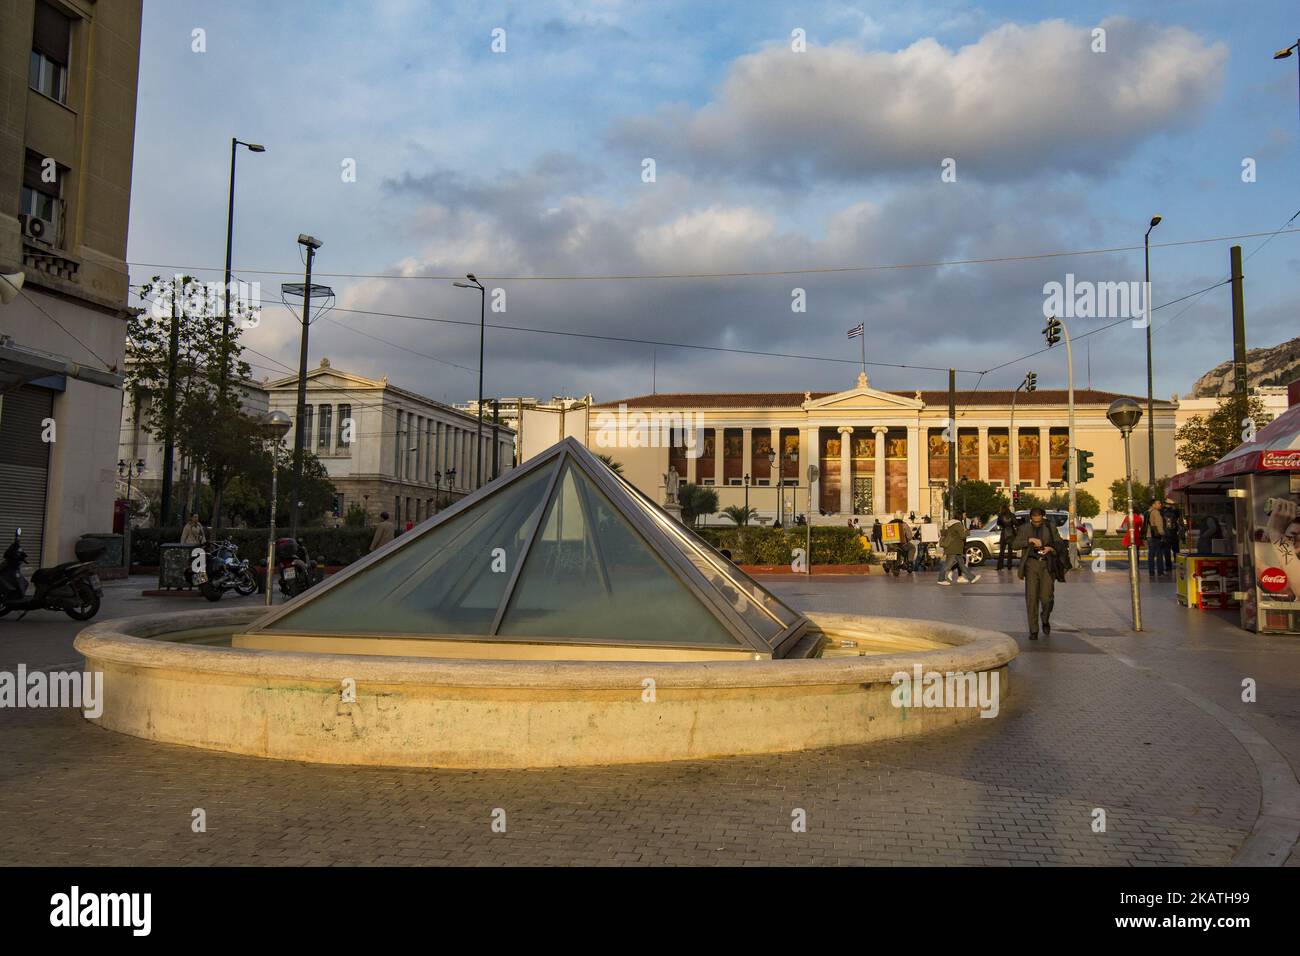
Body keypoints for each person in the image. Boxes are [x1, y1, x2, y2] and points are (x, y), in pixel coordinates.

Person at [1012, 507, 1063, 640]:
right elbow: (1014, 544)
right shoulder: (1024, 528)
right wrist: (1029, 540)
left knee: (1047, 598)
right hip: (1031, 564)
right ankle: (1033, 630)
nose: (1036, 521)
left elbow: (1059, 544)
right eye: (1034, 519)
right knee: (1031, 598)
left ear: (1043, 517)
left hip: (1047, 564)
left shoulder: (1050, 527)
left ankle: (1045, 619)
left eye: (1039, 519)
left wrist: (1050, 548)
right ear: (1030, 518)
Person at [936, 512, 980, 586]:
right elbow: (962, 536)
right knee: (947, 564)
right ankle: (941, 579)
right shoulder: (958, 524)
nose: (965, 516)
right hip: (954, 547)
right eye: (964, 515)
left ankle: (972, 578)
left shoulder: (952, 524)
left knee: (961, 564)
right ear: (960, 516)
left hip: (954, 547)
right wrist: (968, 531)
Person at [1146, 499, 1168, 579]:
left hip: (1149, 535)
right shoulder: (1156, 512)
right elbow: (1158, 524)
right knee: (1159, 554)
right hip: (1156, 536)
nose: (1160, 505)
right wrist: (1163, 534)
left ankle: (1151, 572)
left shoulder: (1148, 512)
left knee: (1151, 555)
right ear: (1153, 505)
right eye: (1158, 503)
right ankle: (1160, 572)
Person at [994, 506, 1019, 571]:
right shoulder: (1012, 515)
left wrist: (1003, 525)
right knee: (1010, 552)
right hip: (1011, 533)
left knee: (1002, 551)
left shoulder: (1001, 515)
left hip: (1004, 533)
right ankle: (1009, 566)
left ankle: (1000, 566)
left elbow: (998, 523)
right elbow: (1016, 523)